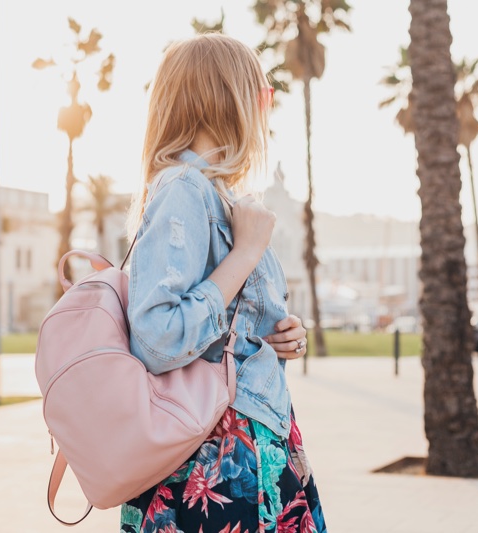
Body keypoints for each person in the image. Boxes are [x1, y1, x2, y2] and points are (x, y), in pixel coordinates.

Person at [120, 33, 327, 533]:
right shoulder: (184, 191)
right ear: (228, 97)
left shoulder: (218, 195)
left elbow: (227, 327)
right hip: (215, 460)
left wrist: (280, 338)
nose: (267, 105)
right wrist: (247, 252)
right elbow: (157, 338)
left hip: (254, 440)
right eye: (262, 91)